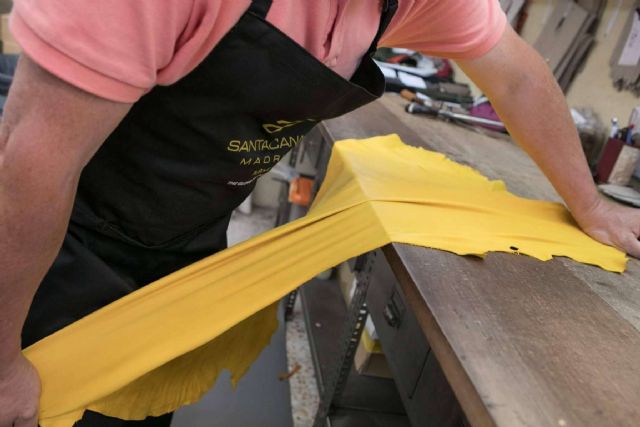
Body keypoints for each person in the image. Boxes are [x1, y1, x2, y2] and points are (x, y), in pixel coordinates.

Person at [2, 1, 639, 426]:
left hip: (184, 241)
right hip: (47, 256)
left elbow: (518, 77)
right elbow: (29, 173)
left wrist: (588, 204)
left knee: (134, 407)